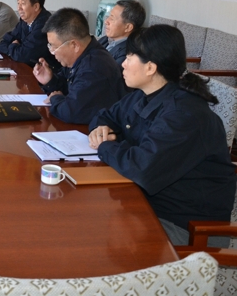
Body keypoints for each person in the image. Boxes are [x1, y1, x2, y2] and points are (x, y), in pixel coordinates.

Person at [88, 25, 235, 246]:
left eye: (129, 57)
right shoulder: (144, 95)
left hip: (187, 227)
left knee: (94, 236)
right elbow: (106, 115)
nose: (122, 63)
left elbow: (142, 168)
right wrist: (101, 129)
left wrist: (105, 146)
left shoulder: (183, 115)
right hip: (146, 204)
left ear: (150, 68)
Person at [33, 8, 126, 124]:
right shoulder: (82, 56)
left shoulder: (94, 67)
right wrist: (50, 80)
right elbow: (69, 88)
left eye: (54, 47)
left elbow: (71, 112)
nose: (52, 52)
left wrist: (55, 98)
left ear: (74, 45)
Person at [0, 0, 59, 69]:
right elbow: (3, 43)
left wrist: (12, 46)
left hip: (45, 72)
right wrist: (15, 48)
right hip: (27, 69)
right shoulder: (24, 21)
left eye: (23, 3)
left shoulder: (44, 24)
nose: (19, 8)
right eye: (18, 3)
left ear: (36, 7)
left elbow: (22, 55)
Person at [98, 0, 146, 66]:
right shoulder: (105, 39)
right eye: (109, 16)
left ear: (128, 27)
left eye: (112, 18)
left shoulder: (128, 54)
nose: (106, 21)